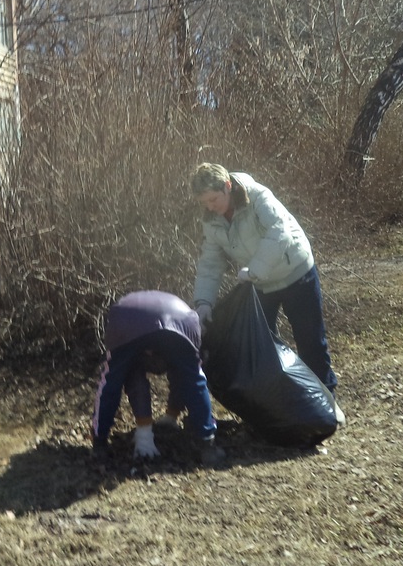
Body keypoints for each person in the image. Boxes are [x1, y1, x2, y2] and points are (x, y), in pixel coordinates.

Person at [188, 163, 344, 424]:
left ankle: (328, 401)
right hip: (260, 284)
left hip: (296, 273)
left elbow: (279, 232)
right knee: (262, 348)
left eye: (213, 199)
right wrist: (203, 303)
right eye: (204, 202)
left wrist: (255, 269)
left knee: (310, 339)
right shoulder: (211, 220)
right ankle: (278, 406)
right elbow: (210, 262)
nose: (210, 207)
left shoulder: (258, 196)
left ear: (227, 186)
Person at [90, 290, 224, 466]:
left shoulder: (126, 319)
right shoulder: (191, 329)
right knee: (191, 377)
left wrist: (97, 439)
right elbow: (194, 382)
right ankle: (208, 445)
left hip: (129, 321)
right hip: (177, 320)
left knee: (116, 378)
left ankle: (105, 442)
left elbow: (109, 385)